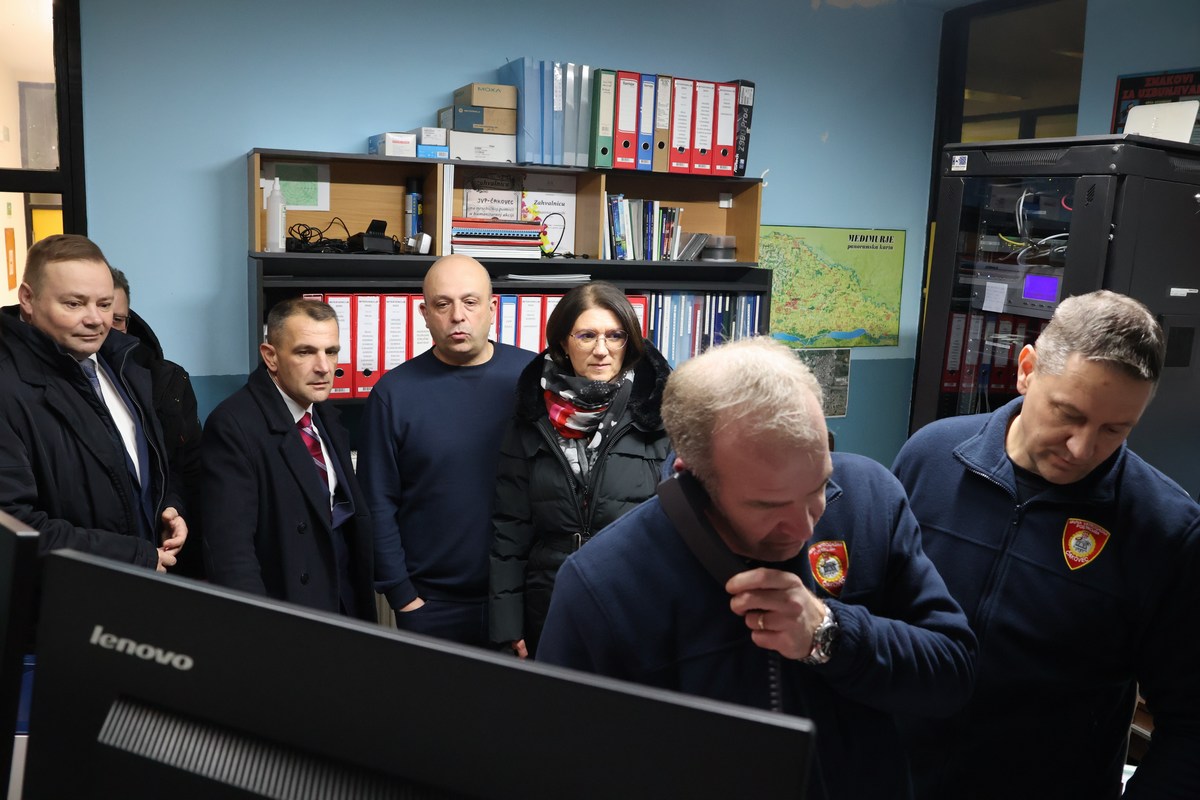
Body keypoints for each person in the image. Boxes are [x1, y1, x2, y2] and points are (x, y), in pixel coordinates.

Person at [538, 337, 976, 800]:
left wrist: (830, 634)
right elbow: (559, 766)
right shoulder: (602, 584)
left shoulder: (871, 498)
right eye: (768, 505)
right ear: (692, 475)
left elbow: (951, 674)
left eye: (819, 486)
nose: (805, 526)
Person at [892, 290, 1200, 799]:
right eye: (1068, 414)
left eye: (1114, 430)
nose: (1083, 448)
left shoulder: (1167, 529)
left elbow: (1191, 726)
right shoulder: (930, 456)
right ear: (1027, 370)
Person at [358, 254, 534, 645]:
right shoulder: (393, 394)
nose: (458, 316)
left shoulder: (532, 380)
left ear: (492, 308)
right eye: (443, 304)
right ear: (424, 314)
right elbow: (376, 503)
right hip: (431, 605)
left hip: (521, 597)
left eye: (470, 302)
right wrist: (403, 597)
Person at [490, 282, 671, 659]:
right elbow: (509, 529)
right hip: (552, 602)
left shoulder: (662, 415)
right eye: (587, 335)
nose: (602, 349)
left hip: (637, 603)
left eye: (615, 336)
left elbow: (680, 530)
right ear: (563, 342)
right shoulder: (530, 418)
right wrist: (507, 624)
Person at [0, 234, 187, 570]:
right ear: (28, 298)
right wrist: (134, 556)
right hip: (67, 592)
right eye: (74, 304)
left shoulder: (126, 365)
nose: (96, 319)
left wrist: (170, 508)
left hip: (137, 582)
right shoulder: (8, 388)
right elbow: (13, 527)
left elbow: (148, 467)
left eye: (104, 304)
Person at [200, 298, 375, 620]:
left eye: (331, 351)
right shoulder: (233, 426)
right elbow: (231, 553)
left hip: (343, 603)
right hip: (287, 614)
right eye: (305, 352)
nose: (324, 367)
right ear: (271, 356)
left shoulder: (324, 414)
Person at [111, 267, 206, 578]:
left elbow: (182, 469)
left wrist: (172, 508)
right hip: (102, 563)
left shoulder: (166, 380)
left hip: (168, 551)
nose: (104, 327)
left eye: (117, 319)